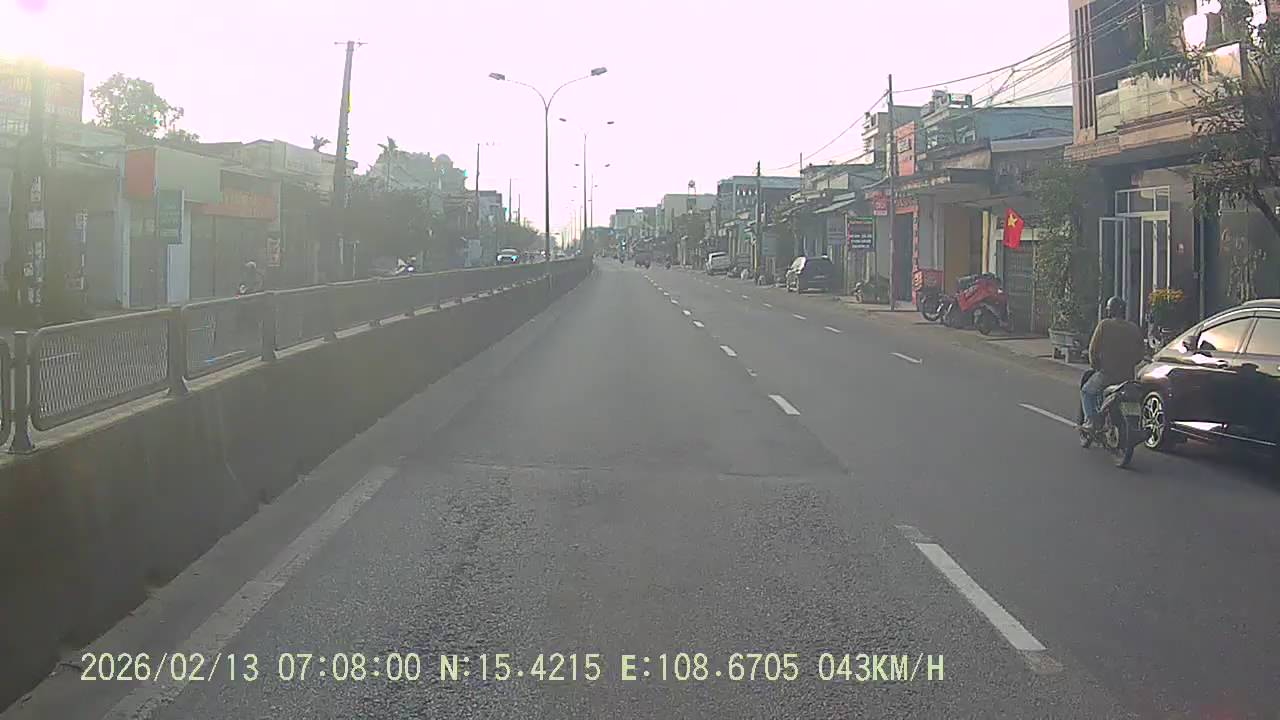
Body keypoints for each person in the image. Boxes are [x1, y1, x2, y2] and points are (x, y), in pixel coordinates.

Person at [1081, 296, 1145, 431]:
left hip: (1107, 375)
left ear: (1110, 310)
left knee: (1087, 391)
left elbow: (1093, 350)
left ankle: (1092, 421)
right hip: (1127, 377)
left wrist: (1096, 365)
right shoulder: (1134, 328)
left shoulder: (1104, 325)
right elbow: (1140, 355)